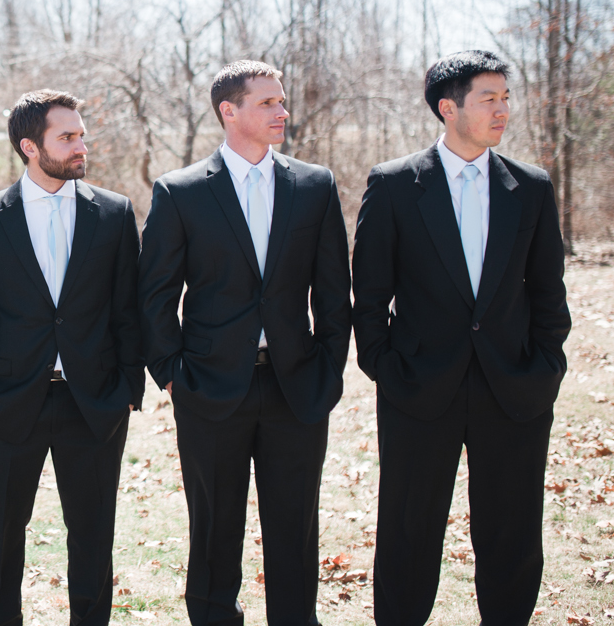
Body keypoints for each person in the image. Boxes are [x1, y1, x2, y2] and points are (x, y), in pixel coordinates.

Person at [353, 51, 570, 625]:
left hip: (515, 387)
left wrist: (546, 365)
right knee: (407, 530)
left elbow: (549, 292)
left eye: (505, 97)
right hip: (418, 389)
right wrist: (385, 365)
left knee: (513, 531)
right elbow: (369, 294)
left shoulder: (531, 186)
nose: (502, 109)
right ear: (449, 108)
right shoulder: (395, 185)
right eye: (488, 99)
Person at [138, 60, 352, 626]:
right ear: (228, 111)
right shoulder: (180, 192)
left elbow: (334, 293)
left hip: (296, 386)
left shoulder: (314, 185)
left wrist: (329, 371)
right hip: (209, 389)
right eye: (267, 103)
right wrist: (172, 374)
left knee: (295, 527)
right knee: (212, 529)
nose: (282, 111)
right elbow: (154, 297)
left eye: (282, 101)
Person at [0, 90, 143, 626]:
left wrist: (127, 389)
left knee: (94, 539)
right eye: (69, 137)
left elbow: (129, 311)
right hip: (6, 405)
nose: (82, 145)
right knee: (1, 542)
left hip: (94, 403)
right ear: (31, 146)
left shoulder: (115, 213)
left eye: (81, 134)